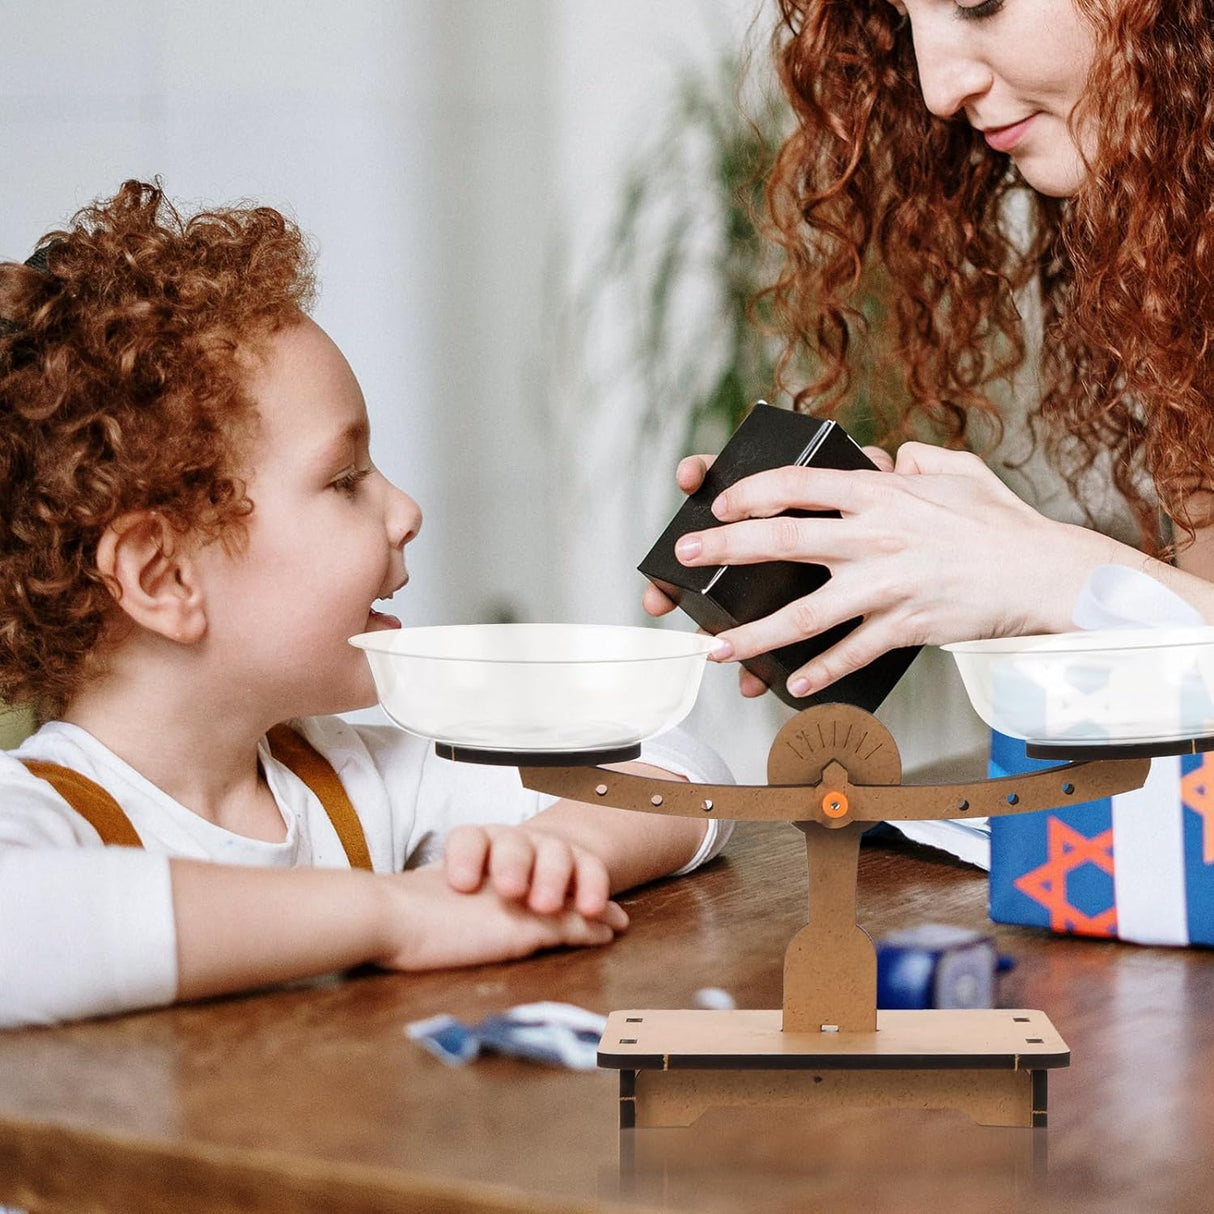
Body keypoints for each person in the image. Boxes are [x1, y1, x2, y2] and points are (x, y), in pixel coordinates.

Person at [0, 181, 733, 1030]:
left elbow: (685, 771)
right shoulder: (45, 810)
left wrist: (552, 857)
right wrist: (400, 914)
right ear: (162, 577)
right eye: (346, 480)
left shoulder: (350, 777)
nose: (405, 510)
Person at [644, 0, 1214, 701]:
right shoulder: (1182, 293)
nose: (937, 90)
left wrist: (1041, 572)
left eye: (978, 3)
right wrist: (928, 566)